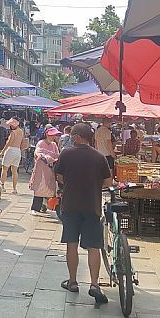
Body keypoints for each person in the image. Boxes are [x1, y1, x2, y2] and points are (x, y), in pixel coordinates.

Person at [55, 123, 112, 303]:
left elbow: (59, 177)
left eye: (73, 135)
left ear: (78, 137)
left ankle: (72, 282)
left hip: (70, 205)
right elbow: (108, 182)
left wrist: (72, 181)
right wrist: (94, 183)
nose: (71, 138)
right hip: (92, 206)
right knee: (94, 246)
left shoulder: (66, 154)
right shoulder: (99, 156)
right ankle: (94, 284)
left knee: (71, 244)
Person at [30, 127, 61, 213]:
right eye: (52, 135)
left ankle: (45, 205)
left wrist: (50, 156)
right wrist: (48, 157)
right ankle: (35, 208)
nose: (53, 137)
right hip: (41, 169)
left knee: (50, 188)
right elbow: (38, 153)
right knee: (39, 187)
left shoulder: (54, 144)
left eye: (54, 135)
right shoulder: (41, 143)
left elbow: (57, 155)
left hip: (50, 169)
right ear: (47, 134)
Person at [0, 118, 24, 194]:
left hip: (10, 150)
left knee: (4, 169)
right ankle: (14, 189)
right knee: (14, 171)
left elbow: (9, 143)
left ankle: (2, 186)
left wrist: (2, 152)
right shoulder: (21, 131)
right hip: (18, 151)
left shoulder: (13, 133)